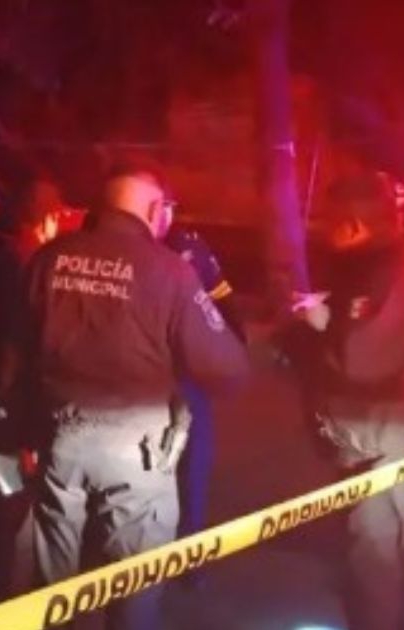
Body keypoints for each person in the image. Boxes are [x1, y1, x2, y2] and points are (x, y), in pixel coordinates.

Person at [13, 168, 249, 629]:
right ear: (154, 210)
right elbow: (227, 367)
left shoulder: (49, 259)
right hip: (137, 452)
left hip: (60, 440)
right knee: (134, 583)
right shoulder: (170, 271)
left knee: (55, 584)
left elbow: (17, 352)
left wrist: (23, 430)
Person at [294, 173, 404, 630]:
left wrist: (315, 324)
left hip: (389, 440)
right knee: (401, 542)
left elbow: (358, 356)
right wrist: (332, 306)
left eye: (331, 220)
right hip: (402, 428)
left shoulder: (387, 272)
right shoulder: (397, 259)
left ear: (355, 225)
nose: (323, 228)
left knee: (374, 552)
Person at [0, 175, 65, 607]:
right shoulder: (20, 266)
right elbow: (15, 352)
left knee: (0, 514)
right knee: (6, 514)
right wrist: (22, 430)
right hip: (8, 420)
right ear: (43, 220)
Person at [162, 224, 245, 555]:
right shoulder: (143, 246)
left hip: (183, 374)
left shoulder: (188, 244)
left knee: (191, 467)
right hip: (154, 375)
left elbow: (221, 297)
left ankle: (186, 552)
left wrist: (233, 343)